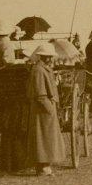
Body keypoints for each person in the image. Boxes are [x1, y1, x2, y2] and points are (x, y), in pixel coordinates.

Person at [26, 43, 65, 176]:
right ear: (44, 57)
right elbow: (40, 94)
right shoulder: (38, 70)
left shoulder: (42, 69)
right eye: (49, 57)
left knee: (45, 139)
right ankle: (43, 167)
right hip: (42, 110)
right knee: (43, 139)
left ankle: (45, 166)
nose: (51, 59)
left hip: (45, 108)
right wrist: (50, 109)